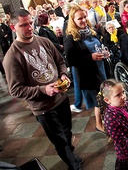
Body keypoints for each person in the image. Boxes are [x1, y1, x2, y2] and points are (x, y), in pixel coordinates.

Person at [3, 9, 83, 170]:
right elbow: (15, 89)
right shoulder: (12, 56)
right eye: (23, 25)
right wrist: (43, 90)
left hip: (61, 98)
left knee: (67, 131)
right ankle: (72, 164)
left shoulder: (43, 41)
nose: (29, 27)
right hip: (44, 107)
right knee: (59, 139)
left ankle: (71, 154)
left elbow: (60, 62)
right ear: (13, 27)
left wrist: (63, 75)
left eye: (30, 23)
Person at [64, 4, 105, 132]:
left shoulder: (90, 31)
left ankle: (104, 122)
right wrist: (90, 57)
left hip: (100, 69)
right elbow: (71, 60)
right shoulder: (70, 37)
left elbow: (98, 45)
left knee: (103, 97)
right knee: (99, 100)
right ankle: (99, 124)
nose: (83, 20)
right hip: (88, 74)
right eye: (79, 18)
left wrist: (105, 51)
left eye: (84, 17)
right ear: (73, 20)